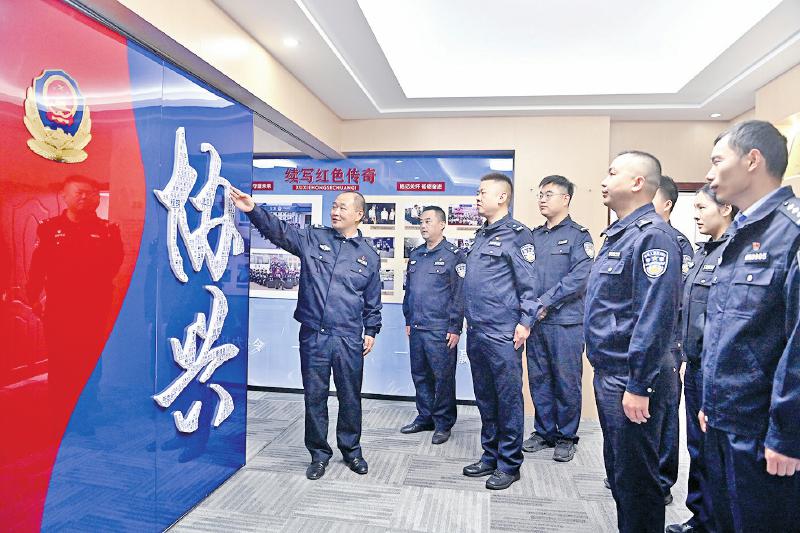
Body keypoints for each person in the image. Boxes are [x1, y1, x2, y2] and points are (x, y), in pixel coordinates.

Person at [230, 187, 382, 481]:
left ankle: (352, 451)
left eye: (342, 207)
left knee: (350, 397)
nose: (335, 211)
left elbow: (372, 300)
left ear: (358, 215)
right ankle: (319, 454)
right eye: (334, 206)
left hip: (349, 337)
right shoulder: (314, 238)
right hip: (314, 335)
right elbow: (280, 231)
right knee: (315, 397)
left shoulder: (369, 255)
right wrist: (253, 210)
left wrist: (372, 329)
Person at [698, 120, 800, 532]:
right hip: (725, 418)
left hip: (764, 430)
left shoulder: (790, 232)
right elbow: (727, 328)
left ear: (752, 160)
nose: (710, 174)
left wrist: (788, 434)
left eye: (718, 161)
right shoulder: (741, 232)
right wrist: (710, 401)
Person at [585, 151, 681, 532]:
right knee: (622, 474)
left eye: (612, 173)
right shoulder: (620, 234)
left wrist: (639, 384)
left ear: (638, 182)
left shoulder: (653, 236)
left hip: (632, 377)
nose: (604, 181)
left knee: (638, 482)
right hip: (611, 372)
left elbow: (655, 317)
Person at [26, 175, 123, 434]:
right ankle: (59, 414)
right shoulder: (49, 228)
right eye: (79, 192)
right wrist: (32, 297)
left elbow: (114, 264)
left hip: (93, 307)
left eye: (91, 193)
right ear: (64, 196)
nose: (85, 197)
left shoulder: (107, 230)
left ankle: (83, 412)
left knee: (89, 360)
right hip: (59, 307)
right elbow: (38, 266)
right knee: (60, 362)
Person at [460, 173, 538, 490]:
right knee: (485, 397)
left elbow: (529, 284)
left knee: (507, 399)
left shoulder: (518, 235)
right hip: (477, 330)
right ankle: (490, 455)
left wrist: (525, 322)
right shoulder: (481, 235)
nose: (478, 197)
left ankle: (509, 463)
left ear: (502, 197)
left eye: (483, 192)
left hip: (503, 332)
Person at [666, 185, 735, 533]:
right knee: (698, 447)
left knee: (718, 452)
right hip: (694, 366)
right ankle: (701, 519)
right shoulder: (702, 252)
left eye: (702, 208)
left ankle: (719, 522)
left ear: (726, 209)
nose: (695, 215)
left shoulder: (735, 253)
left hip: (719, 372)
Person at [522, 175, 593, 463]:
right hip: (536, 322)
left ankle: (566, 437)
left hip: (566, 322)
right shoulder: (534, 236)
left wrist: (546, 302)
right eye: (540, 194)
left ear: (565, 199)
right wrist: (531, 307)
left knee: (566, 380)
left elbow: (580, 277)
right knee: (539, 378)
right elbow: (525, 276)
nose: (542, 199)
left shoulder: (579, 236)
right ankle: (544, 432)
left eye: (548, 194)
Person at [401, 206, 466, 444]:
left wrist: (455, 327)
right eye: (421, 222)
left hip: (441, 329)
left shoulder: (454, 255)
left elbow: (459, 295)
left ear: (442, 224)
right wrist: (408, 319)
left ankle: (443, 423)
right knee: (420, 375)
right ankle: (425, 417)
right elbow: (409, 291)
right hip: (417, 326)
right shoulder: (416, 254)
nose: (423, 226)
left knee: (443, 378)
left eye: (428, 221)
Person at [652, 174, 695, 505]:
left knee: (665, 411)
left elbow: (678, 297)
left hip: (668, 342)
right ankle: (639, 471)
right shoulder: (636, 239)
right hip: (638, 341)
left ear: (666, 204)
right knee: (638, 410)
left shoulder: (679, 244)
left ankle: (663, 481)